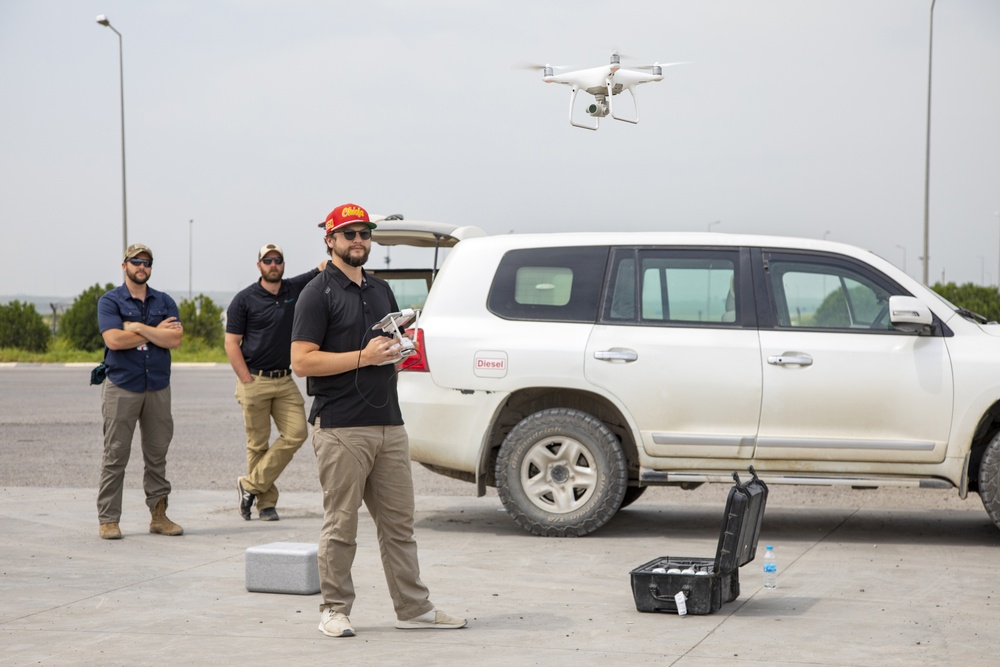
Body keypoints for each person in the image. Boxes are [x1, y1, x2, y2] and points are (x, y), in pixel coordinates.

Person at [291, 202, 466, 637]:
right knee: (341, 524)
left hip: (389, 422)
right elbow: (301, 361)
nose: (358, 241)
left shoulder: (380, 290)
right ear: (330, 240)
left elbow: (385, 348)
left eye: (365, 234)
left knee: (399, 526)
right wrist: (363, 357)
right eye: (348, 234)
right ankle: (333, 610)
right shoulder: (317, 292)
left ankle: (413, 608)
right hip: (341, 426)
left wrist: (398, 352)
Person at [226, 243, 326, 521]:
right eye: (267, 260)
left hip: (284, 379)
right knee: (257, 445)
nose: (273, 264)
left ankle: (249, 485)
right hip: (253, 379)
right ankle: (265, 504)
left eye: (278, 260)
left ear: (283, 264)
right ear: (258, 265)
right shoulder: (244, 299)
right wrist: (245, 379)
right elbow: (231, 343)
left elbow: (321, 269)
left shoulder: (293, 289)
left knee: (297, 433)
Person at [96, 243, 185, 540]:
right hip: (122, 385)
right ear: (124, 266)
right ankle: (109, 519)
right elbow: (114, 341)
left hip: (157, 385)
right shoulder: (110, 301)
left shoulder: (164, 301)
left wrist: (137, 327)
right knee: (116, 454)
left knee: (157, 453)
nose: (141, 267)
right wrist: (154, 330)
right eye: (136, 261)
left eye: (147, 262)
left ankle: (158, 516)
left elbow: (174, 339)